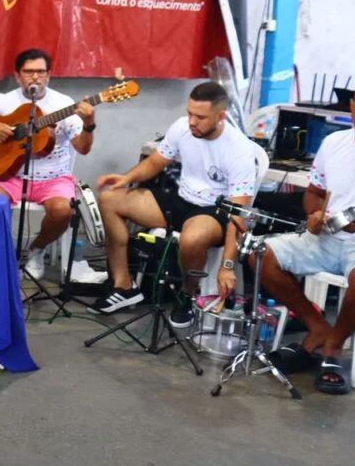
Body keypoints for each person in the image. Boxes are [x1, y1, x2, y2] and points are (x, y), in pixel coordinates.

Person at [258, 73, 355, 395]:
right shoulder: (333, 143)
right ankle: (317, 328)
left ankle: (332, 346)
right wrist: (314, 215)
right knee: (261, 255)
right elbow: (314, 193)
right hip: (329, 239)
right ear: (352, 107)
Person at [88, 82, 258, 325]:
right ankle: (124, 286)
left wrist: (227, 265)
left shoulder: (239, 151)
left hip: (215, 210)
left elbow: (238, 214)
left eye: (200, 117)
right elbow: (156, 162)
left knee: (191, 239)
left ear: (220, 117)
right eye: (189, 113)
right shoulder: (183, 127)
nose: (191, 121)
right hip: (182, 199)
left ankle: (186, 296)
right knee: (109, 199)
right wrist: (127, 178)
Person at [0, 48, 95, 278]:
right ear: (18, 76)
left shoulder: (63, 104)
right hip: (9, 176)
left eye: (41, 72)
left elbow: (83, 148)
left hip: (53, 177)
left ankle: (36, 249)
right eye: (29, 72)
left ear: (49, 75)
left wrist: (88, 123)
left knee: (62, 211)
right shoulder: (3, 102)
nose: (35, 77)